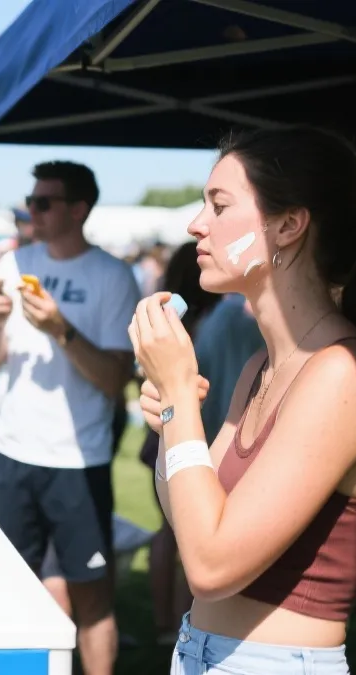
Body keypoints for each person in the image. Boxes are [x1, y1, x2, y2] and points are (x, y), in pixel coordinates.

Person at [131, 126, 356, 674]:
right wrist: (173, 424)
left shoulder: (342, 374)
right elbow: (192, 525)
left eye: (218, 206)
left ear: (289, 225)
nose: (195, 224)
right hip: (202, 650)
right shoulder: (262, 367)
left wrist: (179, 396)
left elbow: (209, 566)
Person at [0, 161, 141, 675]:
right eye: (31, 201)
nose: (33, 211)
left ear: (78, 210)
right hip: (12, 452)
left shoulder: (112, 276)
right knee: (5, 589)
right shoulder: (14, 262)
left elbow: (116, 381)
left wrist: (61, 330)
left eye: (44, 202)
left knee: (91, 598)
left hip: (78, 459)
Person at [135, 241, 221, 644]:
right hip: (190, 431)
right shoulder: (209, 322)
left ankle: (168, 621)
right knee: (182, 533)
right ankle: (179, 622)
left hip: (178, 431)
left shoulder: (178, 323)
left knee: (169, 532)